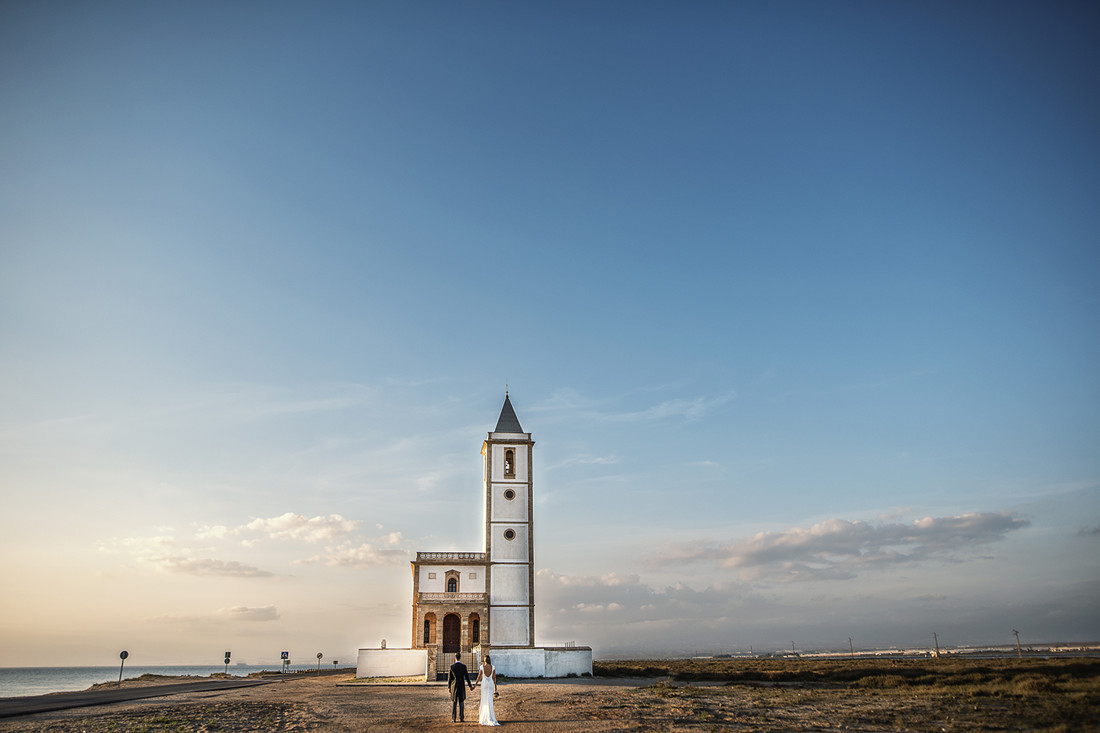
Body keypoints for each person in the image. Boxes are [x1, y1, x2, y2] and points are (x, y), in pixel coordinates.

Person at [473, 654, 500, 726]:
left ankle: (484, 716)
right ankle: (490, 716)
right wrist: (495, 687)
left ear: (484, 660)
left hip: (484, 683)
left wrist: (475, 685)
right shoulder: (493, 667)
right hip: (490, 683)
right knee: (490, 700)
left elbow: (479, 677)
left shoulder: (482, 667)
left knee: (484, 700)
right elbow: (494, 678)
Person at [448, 653, 474, 723]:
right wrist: (470, 686)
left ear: (455, 658)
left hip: (454, 686)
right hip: (461, 685)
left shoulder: (452, 667)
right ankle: (461, 718)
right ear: (460, 658)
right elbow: (467, 677)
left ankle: (453, 718)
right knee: (461, 702)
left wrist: (449, 687)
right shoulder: (463, 666)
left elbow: (450, 678)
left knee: (454, 702)